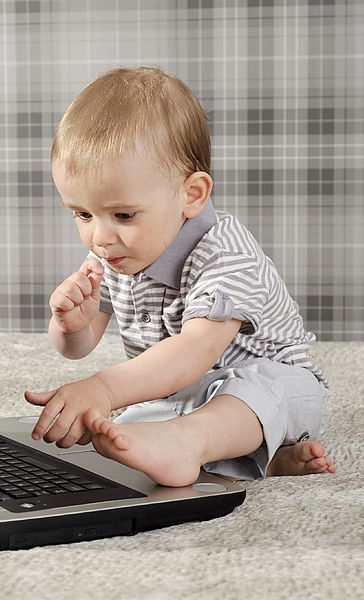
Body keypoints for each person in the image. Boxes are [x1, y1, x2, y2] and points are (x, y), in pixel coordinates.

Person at [24, 66, 335, 486]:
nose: (99, 236)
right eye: (82, 214)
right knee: (124, 428)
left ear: (191, 195)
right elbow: (76, 348)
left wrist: (103, 388)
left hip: (279, 387)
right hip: (183, 392)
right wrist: (70, 325)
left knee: (251, 392)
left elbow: (192, 353)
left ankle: (193, 443)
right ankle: (260, 457)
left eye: (123, 215)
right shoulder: (118, 253)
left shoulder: (226, 254)